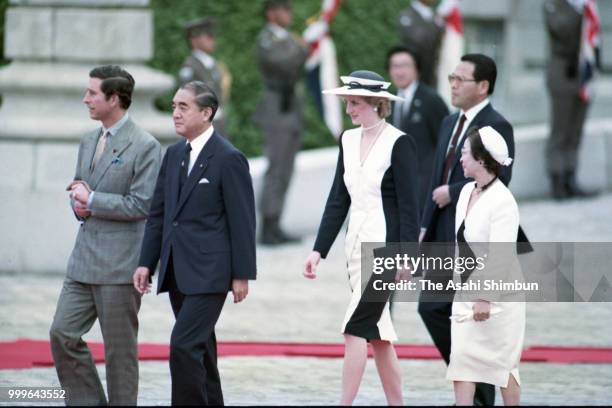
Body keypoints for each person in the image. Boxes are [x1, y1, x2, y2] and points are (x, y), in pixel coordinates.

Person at [134, 81, 256, 406]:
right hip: (176, 270)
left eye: (183, 107)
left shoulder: (229, 158)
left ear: (206, 112)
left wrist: (242, 274)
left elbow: (243, 221)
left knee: (183, 346)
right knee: (201, 350)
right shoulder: (173, 155)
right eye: (174, 106)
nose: (175, 113)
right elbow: (159, 215)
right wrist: (147, 262)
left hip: (211, 272)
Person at [304, 70, 419, 405]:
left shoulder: (400, 142)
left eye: (354, 102)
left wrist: (407, 256)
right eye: (347, 102)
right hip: (354, 250)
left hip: (386, 252)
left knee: (354, 328)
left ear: (374, 103)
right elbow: (338, 199)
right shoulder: (347, 139)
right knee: (380, 337)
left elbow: (410, 207)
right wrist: (318, 251)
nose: (348, 109)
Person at [49, 65, 162, 405]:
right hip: (83, 260)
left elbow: (142, 204)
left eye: (92, 93)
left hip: (121, 265)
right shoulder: (88, 140)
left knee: (119, 354)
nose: (86, 99)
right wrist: (80, 204)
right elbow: (82, 191)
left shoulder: (145, 146)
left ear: (114, 99)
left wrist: (93, 200)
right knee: (62, 333)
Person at [418, 53, 515, 406]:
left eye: (461, 79)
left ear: (483, 86)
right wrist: (423, 226)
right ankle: (474, 386)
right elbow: (436, 177)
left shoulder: (497, 126)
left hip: (475, 237)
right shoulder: (448, 122)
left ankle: (478, 393)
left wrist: (453, 192)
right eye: (451, 78)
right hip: (441, 231)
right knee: (430, 309)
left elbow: (501, 179)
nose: (454, 84)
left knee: (474, 317)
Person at [447, 126, 525, 406]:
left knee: (503, 368)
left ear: (481, 160)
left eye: (465, 154)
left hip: (500, 301)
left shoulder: (503, 201)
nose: (461, 160)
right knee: (461, 364)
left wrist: (485, 298)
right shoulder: (467, 191)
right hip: (465, 294)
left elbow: (501, 255)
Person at [254, 0, 308, 245]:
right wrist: (304, 48)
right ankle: (268, 225)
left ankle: (277, 221)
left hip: (291, 109)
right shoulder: (267, 39)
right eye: (284, 9)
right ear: (271, 12)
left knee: (286, 168)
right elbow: (284, 65)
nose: (289, 14)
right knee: (276, 167)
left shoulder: (288, 39)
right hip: (277, 109)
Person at [543, 0, 600, 199]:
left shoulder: (585, 6)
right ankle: (557, 181)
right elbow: (561, 31)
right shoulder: (554, 4)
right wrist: (579, 11)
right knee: (560, 130)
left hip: (582, 75)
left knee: (575, 131)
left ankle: (570, 177)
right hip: (562, 74)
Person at [387, 45, 449, 215]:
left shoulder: (431, 100)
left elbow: (447, 144)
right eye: (395, 66)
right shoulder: (387, 101)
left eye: (405, 65)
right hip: (397, 187)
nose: (399, 71)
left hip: (426, 187)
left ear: (416, 69)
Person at [179, 17, 232, 136]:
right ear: (194, 40)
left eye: (213, 36)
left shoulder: (214, 64)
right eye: (208, 36)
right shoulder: (190, 67)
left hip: (218, 124)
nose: (213, 40)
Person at [398, 0, 445, 88]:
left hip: (431, 74)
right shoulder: (407, 15)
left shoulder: (434, 16)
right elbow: (417, 40)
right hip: (414, 74)